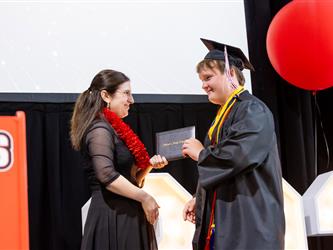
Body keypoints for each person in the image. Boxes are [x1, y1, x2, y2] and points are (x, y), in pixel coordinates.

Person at [182, 38, 285, 250]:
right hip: (227, 220)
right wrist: (199, 197)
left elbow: (239, 156)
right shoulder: (226, 113)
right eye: (201, 80)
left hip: (250, 221)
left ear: (230, 73)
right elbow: (223, 167)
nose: (203, 85)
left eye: (208, 77)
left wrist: (201, 153)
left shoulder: (252, 110)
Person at [70, 69, 168, 250]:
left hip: (127, 216)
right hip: (112, 216)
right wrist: (145, 197)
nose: (132, 100)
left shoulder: (113, 129)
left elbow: (132, 179)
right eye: (126, 93)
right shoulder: (99, 129)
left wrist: (148, 167)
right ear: (106, 96)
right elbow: (106, 175)